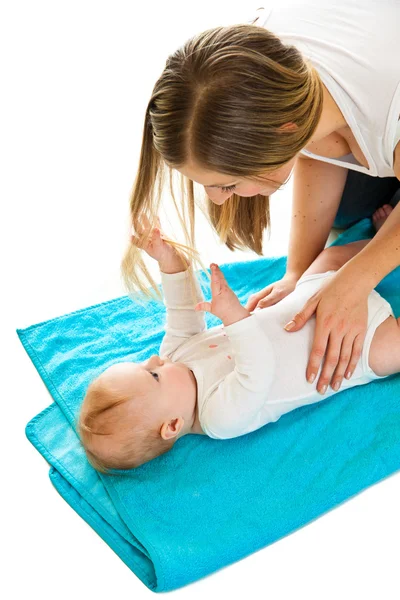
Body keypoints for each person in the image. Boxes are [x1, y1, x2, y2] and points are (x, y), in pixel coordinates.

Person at [121, 0, 400, 400]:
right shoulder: (255, 68)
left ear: (284, 134)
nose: (218, 202)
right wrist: (298, 274)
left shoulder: (387, 99)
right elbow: (316, 143)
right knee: (348, 209)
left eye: (228, 185)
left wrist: (355, 281)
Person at [79, 214, 399, 473]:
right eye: (152, 375)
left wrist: (169, 261)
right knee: (392, 351)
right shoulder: (219, 417)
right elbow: (257, 368)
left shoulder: (174, 356)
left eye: (141, 364)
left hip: (314, 294)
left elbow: (182, 310)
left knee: (330, 255)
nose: (151, 359)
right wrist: (233, 315)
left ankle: (387, 242)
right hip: (355, 348)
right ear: (173, 425)